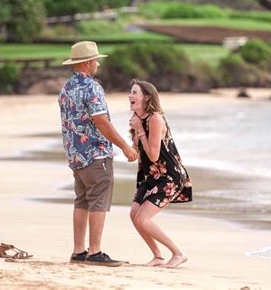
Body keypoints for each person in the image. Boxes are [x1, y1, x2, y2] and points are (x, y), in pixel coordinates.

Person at [58, 41, 138, 267]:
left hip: (75, 154)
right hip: (95, 154)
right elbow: (101, 122)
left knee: (81, 201)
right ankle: (94, 252)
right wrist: (125, 146)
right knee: (98, 201)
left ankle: (78, 251)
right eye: (95, 60)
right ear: (86, 63)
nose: (98, 64)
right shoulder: (92, 88)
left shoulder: (66, 88)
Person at [128, 79, 193, 268]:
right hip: (150, 176)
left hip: (169, 176)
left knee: (143, 218)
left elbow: (155, 155)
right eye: (130, 92)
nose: (130, 96)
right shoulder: (137, 119)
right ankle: (157, 256)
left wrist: (140, 130)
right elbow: (138, 150)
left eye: (134, 92)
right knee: (134, 214)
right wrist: (131, 146)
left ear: (146, 97)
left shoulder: (155, 119)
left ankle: (178, 253)